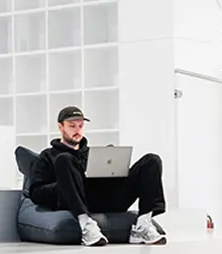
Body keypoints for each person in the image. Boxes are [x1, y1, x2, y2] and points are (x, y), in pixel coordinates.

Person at [26, 105, 167, 245]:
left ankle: (143, 224)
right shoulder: (48, 156)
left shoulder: (92, 154)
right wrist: (65, 185)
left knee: (151, 160)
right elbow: (36, 192)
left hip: (107, 197)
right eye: (72, 126)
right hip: (79, 202)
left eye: (81, 126)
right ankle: (86, 225)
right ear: (60, 127)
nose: (77, 130)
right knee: (64, 159)